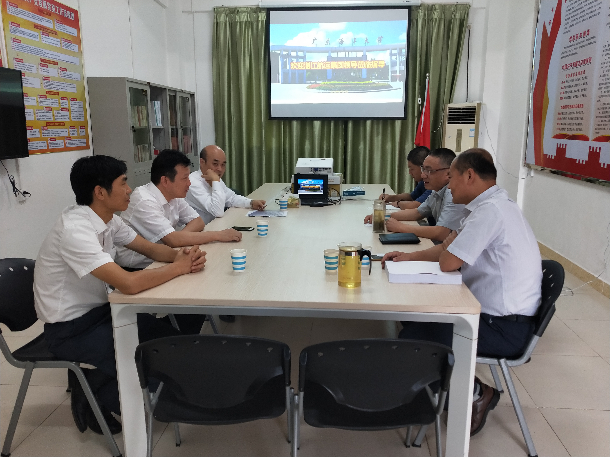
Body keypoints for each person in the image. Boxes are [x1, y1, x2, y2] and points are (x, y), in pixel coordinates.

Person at [34, 155, 206, 435]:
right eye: (123, 183)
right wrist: (179, 268)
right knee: (148, 367)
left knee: (170, 346)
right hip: (70, 329)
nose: (129, 190)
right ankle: (94, 393)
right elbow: (128, 284)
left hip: (103, 311)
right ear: (100, 192)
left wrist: (182, 256)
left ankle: (96, 382)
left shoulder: (109, 220)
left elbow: (151, 249)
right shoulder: (75, 230)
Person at [382, 148, 542, 436]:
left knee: (414, 339)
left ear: (469, 176)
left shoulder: (490, 212)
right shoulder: (487, 206)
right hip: (493, 314)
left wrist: (448, 246)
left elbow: (448, 261)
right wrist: (408, 257)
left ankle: (476, 393)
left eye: (452, 177)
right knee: (413, 316)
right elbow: (446, 250)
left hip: (504, 328)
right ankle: (445, 387)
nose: (449, 184)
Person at [116, 149, 242, 326]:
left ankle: (186, 329)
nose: (189, 183)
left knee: (203, 269)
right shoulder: (144, 200)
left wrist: (179, 239)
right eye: (185, 178)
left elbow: (197, 222)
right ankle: (179, 332)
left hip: (165, 256)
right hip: (137, 266)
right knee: (197, 283)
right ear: (165, 181)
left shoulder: (174, 195)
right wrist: (219, 235)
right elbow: (173, 240)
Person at [365, 148, 466, 242]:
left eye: (429, 171)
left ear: (448, 173)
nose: (423, 175)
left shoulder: (452, 194)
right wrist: (381, 216)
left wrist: (402, 228)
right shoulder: (436, 191)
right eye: (423, 169)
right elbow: (417, 213)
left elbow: (441, 233)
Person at [186, 145, 266, 224]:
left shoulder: (214, 178)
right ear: (202, 162)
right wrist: (216, 181)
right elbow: (217, 212)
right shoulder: (192, 183)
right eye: (215, 164)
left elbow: (231, 198)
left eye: (223, 165)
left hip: (216, 225)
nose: (220, 169)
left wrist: (251, 203)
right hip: (201, 230)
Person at [379, 146, 431, 210]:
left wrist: (398, 203)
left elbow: (415, 205)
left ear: (423, 167)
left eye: (412, 169)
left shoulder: (433, 185)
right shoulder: (423, 182)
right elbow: (411, 196)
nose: (409, 172)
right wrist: (390, 198)